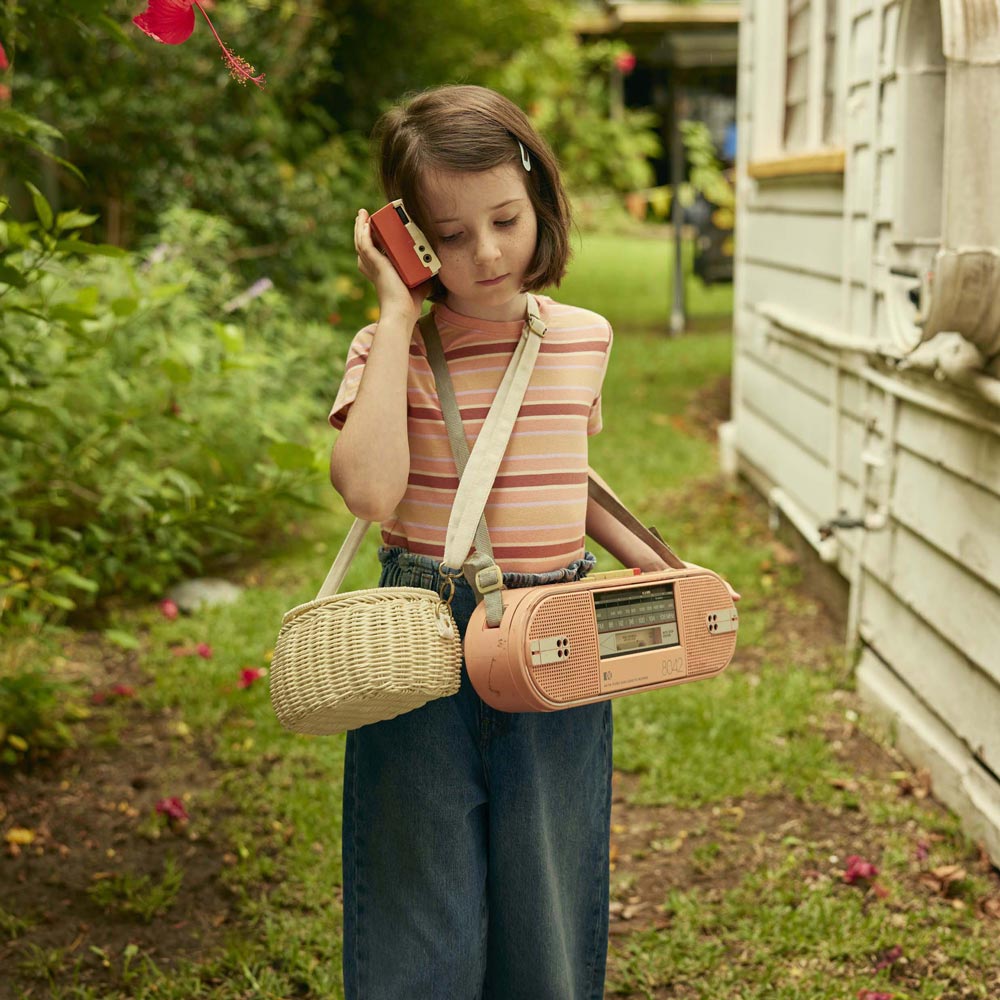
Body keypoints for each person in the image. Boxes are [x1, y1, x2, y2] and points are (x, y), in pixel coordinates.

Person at [328, 84, 736, 1000]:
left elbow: (564, 477)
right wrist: (395, 316)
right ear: (408, 238)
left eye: (505, 220)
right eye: (451, 233)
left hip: (557, 632)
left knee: (548, 899)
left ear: (539, 199)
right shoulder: (384, 346)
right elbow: (369, 488)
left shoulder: (582, 339)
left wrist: (666, 573)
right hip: (422, 639)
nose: (487, 252)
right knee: (418, 908)